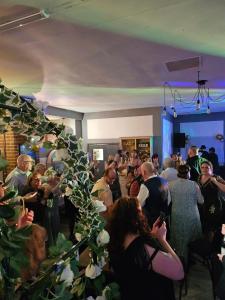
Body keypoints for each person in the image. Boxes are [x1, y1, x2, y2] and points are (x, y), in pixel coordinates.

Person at [107, 197, 184, 300]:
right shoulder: (145, 250)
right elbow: (179, 272)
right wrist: (162, 240)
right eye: (140, 212)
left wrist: (152, 235)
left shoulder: (114, 243)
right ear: (135, 219)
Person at [169, 164, 204, 263]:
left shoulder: (171, 184)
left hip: (177, 215)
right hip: (191, 215)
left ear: (178, 173)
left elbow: (168, 201)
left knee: (179, 239)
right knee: (191, 239)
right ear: (188, 173)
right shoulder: (194, 185)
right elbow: (201, 201)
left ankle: (179, 261)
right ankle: (190, 260)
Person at [198, 161, 225, 249]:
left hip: (214, 206)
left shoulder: (216, 177)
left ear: (211, 168)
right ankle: (206, 247)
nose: (204, 169)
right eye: (202, 167)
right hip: (203, 205)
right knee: (204, 226)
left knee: (212, 227)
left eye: (207, 167)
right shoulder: (199, 177)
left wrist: (215, 182)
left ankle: (213, 249)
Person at [137, 162, 170, 227]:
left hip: (152, 221)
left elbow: (138, 204)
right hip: (164, 219)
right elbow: (169, 200)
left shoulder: (145, 185)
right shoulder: (164, 181)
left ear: (144, 172)